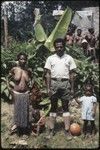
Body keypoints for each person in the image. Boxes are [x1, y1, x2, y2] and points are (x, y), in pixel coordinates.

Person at [44, 38, 77, 137]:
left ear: (64, 47)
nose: (59, 49)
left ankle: (67, 130)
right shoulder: (50, 58)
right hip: (54, 83)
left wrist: (72, 88)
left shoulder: (69, 58)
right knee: (53, 107)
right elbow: (48, 74)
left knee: (65, 106)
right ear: (54, 47)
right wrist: (48, 88)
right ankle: (51, 129)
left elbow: (72, 74)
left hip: (65, 83)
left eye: (61, 47)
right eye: (57, 47)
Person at [7, 52, 32, 135]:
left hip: (26, 93)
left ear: (26, 60)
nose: (23, 61)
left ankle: (25, 130)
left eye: (24, 59)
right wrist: (9, 87)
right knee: (18, 111)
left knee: (25, 112)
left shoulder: (28, 70)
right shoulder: (14, 69)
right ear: (18, 60)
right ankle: (18, 129)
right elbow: (8, 77)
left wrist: (30, 88)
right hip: (17, 93)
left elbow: (31, 80)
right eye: (21, 59)